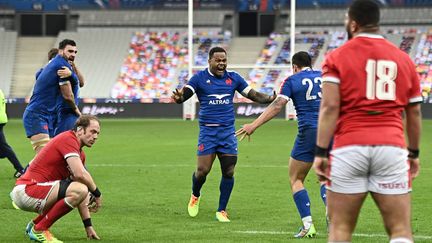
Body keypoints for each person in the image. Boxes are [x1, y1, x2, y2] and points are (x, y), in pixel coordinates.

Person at [313, 1, 422, 242]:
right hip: (391, 148)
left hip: (349, 147)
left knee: (340, 229)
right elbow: (413, 113)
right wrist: (413, 153)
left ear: (353, 23)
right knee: (400, 230)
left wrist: (320, 152)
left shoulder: (337, 57)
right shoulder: (403, 59)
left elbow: (330, 107)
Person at [171, 46, 276, 222]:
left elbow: (251, 94)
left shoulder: (233, 78)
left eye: (224, 60)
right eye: (218, 60)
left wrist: (268, 99)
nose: (221, 63)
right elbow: (186, 93)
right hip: (208, 132)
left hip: (227, 132)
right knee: (202, 171)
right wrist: (180, 98)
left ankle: (221, 210)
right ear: (210, 61)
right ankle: (195, 194)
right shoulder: (199, 78)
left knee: (229, 171)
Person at [235, 51, 326, 238]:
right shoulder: (325, 76)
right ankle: (334, 217)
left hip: (309, 131)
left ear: (294, 67)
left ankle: (308, 225)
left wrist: (253, 125)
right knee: (326, 177)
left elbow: (277, 105)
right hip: (331, 131)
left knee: (296, 178)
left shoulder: (292, 80)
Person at [10, 115, 102, 242]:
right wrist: (97, 193)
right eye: (92, 131)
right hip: (27, 190)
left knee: (81, 190)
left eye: (97, 133)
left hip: (36, 190)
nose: (95, 137)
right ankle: (39, 229)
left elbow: (81, 194)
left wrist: (88, 226)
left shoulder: (80, 154)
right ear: (80, 130)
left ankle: (34, 225)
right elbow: (80, 174)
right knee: (80, 189)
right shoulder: (68, 138)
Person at [23, 39, 81, 153]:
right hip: (37, 114)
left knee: (49, 157)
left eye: (75, 52)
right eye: (70, 51)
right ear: (60, 51)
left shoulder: (62, 65)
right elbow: (68, 95)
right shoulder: (61, 65)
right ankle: (23, 172)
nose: (73, 54)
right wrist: (76, 110)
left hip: (48, 116)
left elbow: (81, 82)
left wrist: (72, 74)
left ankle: (23, 171)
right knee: (45, 157)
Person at [0, 89, 25, 178]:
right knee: (3, 147)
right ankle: (20, 169)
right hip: (2, 119)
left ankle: (21, 169)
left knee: (4, 147)